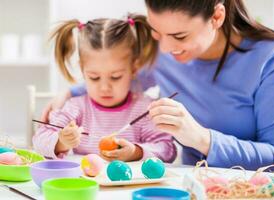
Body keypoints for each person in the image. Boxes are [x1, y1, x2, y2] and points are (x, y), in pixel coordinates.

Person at [42, 0, 274, 171]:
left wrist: (201, 138)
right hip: (189, 186)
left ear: (217, 16)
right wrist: (68, 93)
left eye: (179, 36)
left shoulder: (272, 59)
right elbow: (116, 77)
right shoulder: (164, 51)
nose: (164, 48)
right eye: (156, 32)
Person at [33, 14, 177, 163]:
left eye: (115, 77)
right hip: (85, 184)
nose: (104, 88)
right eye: (94, 77)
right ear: (83, 70)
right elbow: (40, 140)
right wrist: (61, 142)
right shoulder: (76, 108)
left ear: (134, 69)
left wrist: (136, 152)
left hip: (130, 185)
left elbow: (166, 149)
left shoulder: (145, 110)